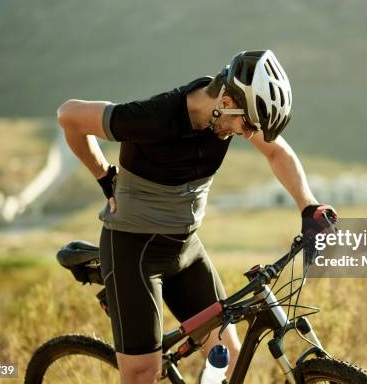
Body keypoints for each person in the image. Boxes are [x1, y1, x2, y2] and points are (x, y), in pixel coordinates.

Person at [57, 50, 337, 383]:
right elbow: (69, 115)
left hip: (185, 250)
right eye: (246, 124)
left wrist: (308, 205)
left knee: (227, 356)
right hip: (134, 251)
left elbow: (277, 151)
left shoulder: (231, 114)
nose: (248, 134)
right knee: (144, 372)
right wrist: (104, 177)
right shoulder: (154, 117)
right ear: (227, 99)